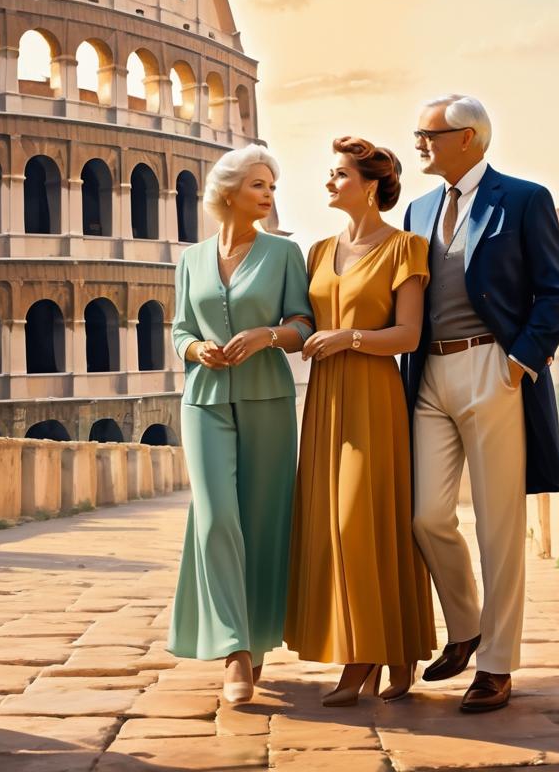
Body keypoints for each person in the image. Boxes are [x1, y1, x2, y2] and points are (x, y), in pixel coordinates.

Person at [402, 94, 559, 713]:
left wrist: (518, 362)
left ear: (468, 138)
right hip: (428, 374)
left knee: (499, 526)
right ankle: (467, 626)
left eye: (430, 132)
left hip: (492, 369)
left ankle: (497, 664)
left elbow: (557, 292)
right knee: (425, 515)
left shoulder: (524, 198)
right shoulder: (419, 209)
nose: (419, 140)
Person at [285, 136, 436, 706]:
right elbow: (303, 318)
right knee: (332, 525)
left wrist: (347, 337)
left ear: (370, 186)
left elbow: (408, 335)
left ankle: (365, 654)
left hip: (374, 394)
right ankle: (394, 647)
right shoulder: (318, 251)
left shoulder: (406, 249)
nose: (329, 182)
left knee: (363, 522)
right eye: (330, 174)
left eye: (339, 174)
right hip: (324, 399)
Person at [168, 145, 315, 705]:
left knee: (262, 522)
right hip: (203, 402)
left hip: (268, 399)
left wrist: (266, 337)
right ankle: (232, 650)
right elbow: (180, 328)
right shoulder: (190, 259)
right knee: (216, 519)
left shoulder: (283, 254)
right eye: (259, 185)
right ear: (228, 191)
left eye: (272, 186)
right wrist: (197, 346)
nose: (269, 194)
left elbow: (303, 324)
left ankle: (253, 647)